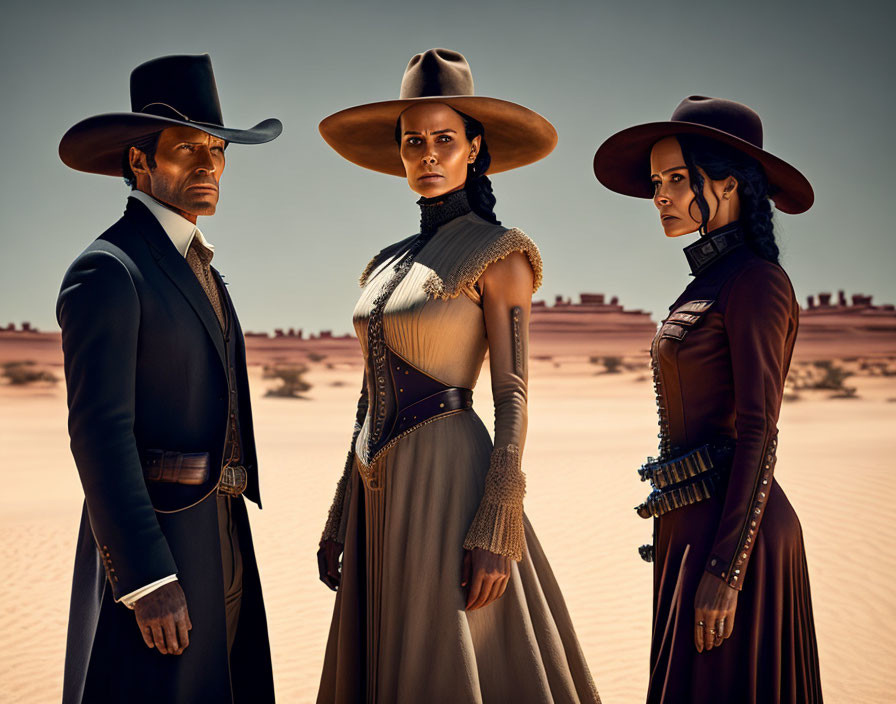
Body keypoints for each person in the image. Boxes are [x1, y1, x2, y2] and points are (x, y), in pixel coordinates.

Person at [315, 48, 601, 703]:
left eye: (445, 139)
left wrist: (498, 522)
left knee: (445, 660)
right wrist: (340, 512)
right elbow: (367, 398)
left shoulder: (502, 254)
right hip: (373, 489)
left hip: (448, 482)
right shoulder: (388, 262)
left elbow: (514, 398)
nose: (428, 154)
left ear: (474, 148)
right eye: (413, 141)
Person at [56, 54, 281, 703]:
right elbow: (99, 434)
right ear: (139, 162)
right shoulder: (108, 270)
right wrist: (148, 578)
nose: (210, 166)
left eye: (218, 150)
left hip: (222, 532)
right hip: (159, 547)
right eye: (189, 150)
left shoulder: (198, 265)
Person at [594, 96, 823, 703]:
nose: (660, 196)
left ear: (728, 185)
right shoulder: (706, 281)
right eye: (655, 182)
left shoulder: (756, 281)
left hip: (735, 537)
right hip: (690, 527)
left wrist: (727, 568)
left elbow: (759, 432)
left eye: (676, 178)